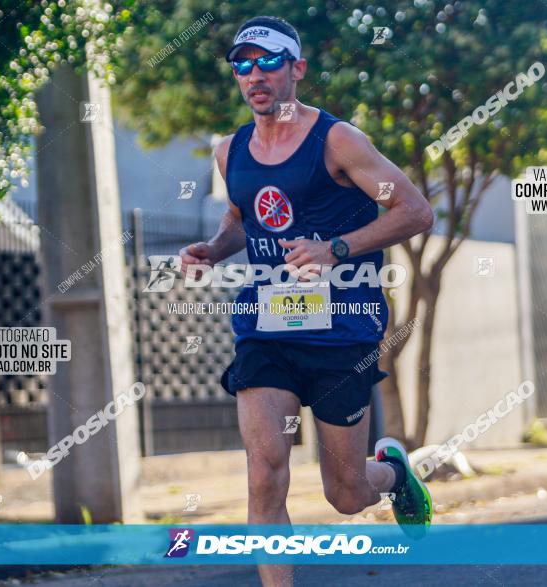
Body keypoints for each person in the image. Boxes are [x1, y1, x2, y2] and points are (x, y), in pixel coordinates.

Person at [178, 15, 434, 587]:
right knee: (265, 476)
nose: (255, 75)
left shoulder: (338, 141)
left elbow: (415, 210)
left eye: (268, 61)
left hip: (344, 327)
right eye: (243, 64)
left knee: (345, 494)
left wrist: (335, 249)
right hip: (266, 330)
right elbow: (243, 218)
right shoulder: (229, 151)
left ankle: (391, 474)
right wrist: (213, 250)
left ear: (297, 68)